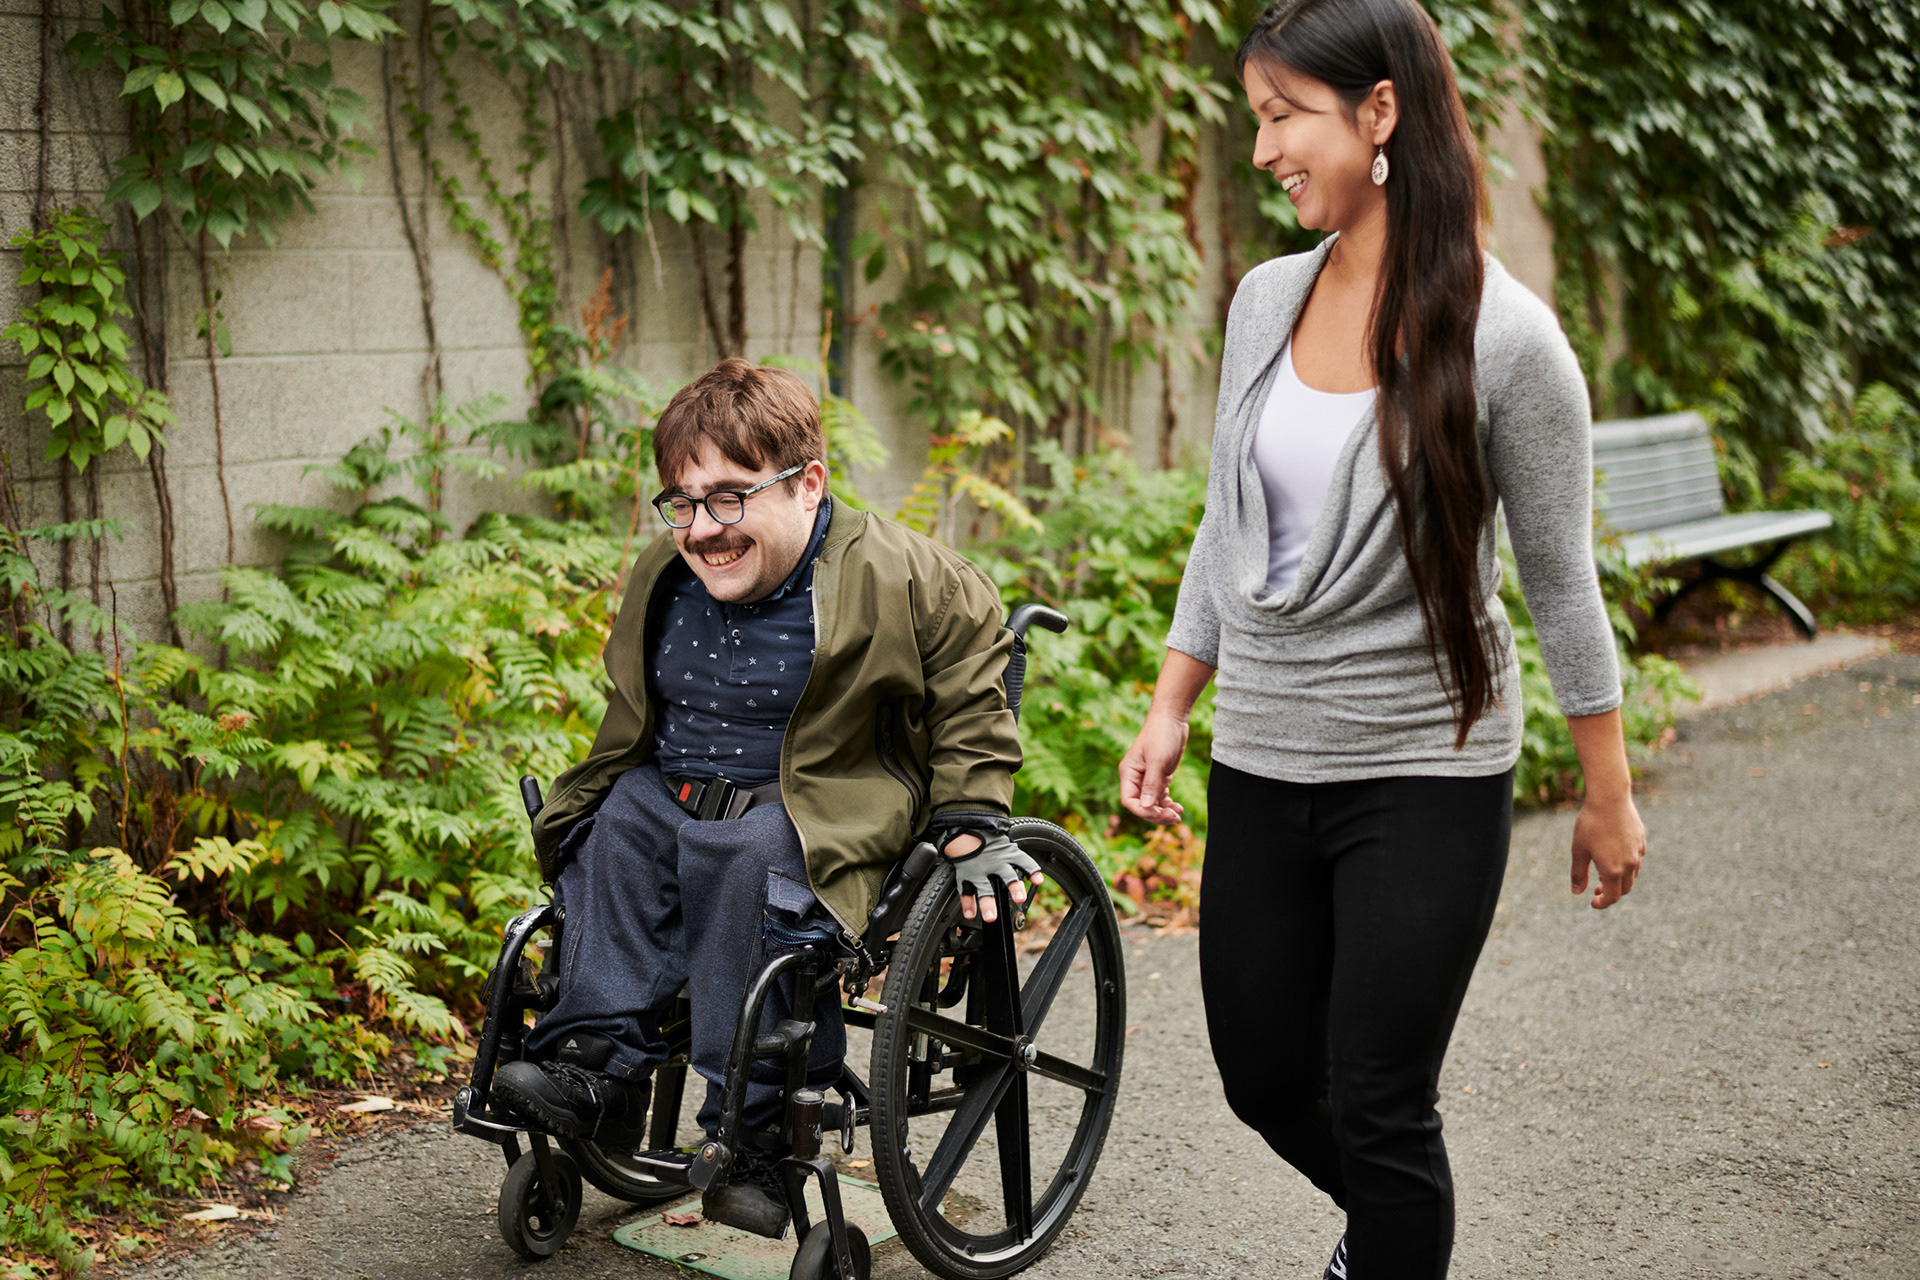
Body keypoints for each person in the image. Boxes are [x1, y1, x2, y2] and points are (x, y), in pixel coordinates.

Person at [1117, 1, 1647, 1277]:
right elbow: (1224, 524)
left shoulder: (1508, 341)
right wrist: (1173, 701)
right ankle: (1398, 1225)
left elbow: (1560, 580)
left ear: (1381, 112)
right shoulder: (1264, 300)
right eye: (1259, 118)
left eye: (1284, 116)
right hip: (1264, 750)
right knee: (1259, 1072)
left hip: (1424, 766)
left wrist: (1607, 790)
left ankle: (1392, 1240)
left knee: (1380, 1097)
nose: (1263, 151)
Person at [491, 358, 1043, 1210]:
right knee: (617, 827)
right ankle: (597, 1075)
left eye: (730, 495)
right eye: (683, 499)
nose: (703, 526)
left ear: (808, 483)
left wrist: (971, 816)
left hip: (825, 803)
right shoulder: (664, 574)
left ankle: (755, 1137)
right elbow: (634, 708)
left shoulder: (907, 574)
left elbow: (974, 691)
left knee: (745, 852)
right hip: (676, 788)